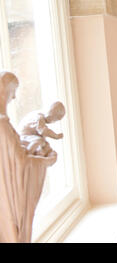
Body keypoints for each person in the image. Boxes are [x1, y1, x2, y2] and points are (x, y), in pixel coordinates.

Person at [0, 71, 57, 242]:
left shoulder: (4, 125)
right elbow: (21, 163)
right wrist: (46, 161)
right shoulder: (3, 127)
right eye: (13, 91)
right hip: (9, 209)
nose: (15, 97)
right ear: (3, 93)